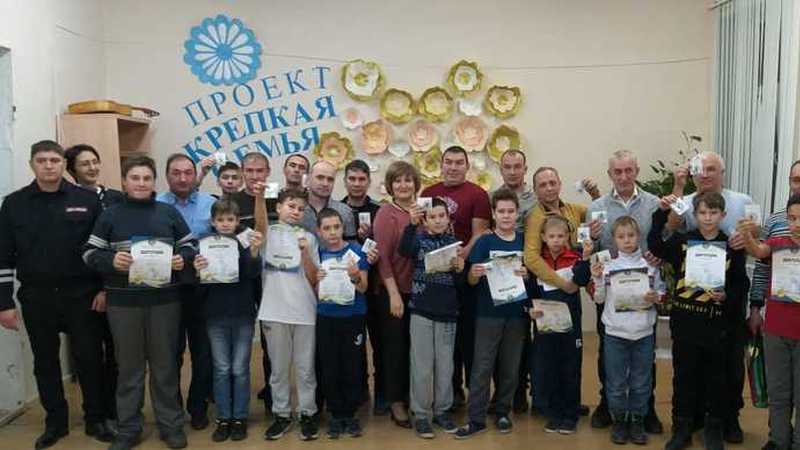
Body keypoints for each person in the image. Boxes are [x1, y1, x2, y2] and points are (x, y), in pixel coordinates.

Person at [0, 140, 114, 449]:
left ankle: (95, 419)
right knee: (45, 362)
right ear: (32, 164)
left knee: (90, 359)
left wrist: (104, 288)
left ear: (64, 164)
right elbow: (3, 256)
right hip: (37, 297)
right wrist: (4, 303)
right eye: (42, 160)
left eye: (54, 160)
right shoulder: (14, 204)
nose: (49, 165)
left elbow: (101, 248)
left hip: (82, 295)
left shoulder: (86, 200)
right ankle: (55, 422)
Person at [84, 155, 196, 450]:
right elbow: (88, 253)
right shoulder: (110, 215)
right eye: (135, 178)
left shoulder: (168, 212)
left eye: (147, 178)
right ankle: (129, 428)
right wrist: (111, 261)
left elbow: (190, 245)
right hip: (123, 305)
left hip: (164, 302)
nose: (141, 183)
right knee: (129, 369)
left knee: (165, 367)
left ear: (154, 181)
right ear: (124, 181)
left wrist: (181, 258)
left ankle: (170, 425)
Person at [648, 192, 748, 450]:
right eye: (702, 213)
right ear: (694, 215)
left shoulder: (732, 246)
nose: (708, 218)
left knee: (716, 378)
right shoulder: (683, 241)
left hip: (716, 325)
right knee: (684, 377)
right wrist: (660, 213)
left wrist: (726, 296)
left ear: (723, 215)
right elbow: (656, 246)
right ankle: (681, 428)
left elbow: (741, 283)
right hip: (685, 322)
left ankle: (713, 429)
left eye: (713, 213)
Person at [671, 151, 753, 442]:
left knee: (729, 366)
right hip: (693, 302)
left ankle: (727, 419)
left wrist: (748, 239)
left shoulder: (742, 201)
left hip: (726, 300)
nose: (705, 174)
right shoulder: (685, 203)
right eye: (700, 170)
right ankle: (690, 419)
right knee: (690, 368)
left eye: (711, 169)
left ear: (722, 172)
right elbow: (668, 235)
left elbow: (756, 237)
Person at [586, 150, 663, 432]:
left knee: (645, 357)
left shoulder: (654, 204)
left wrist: (658, 256)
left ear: (636, 171)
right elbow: (590, 250)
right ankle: (609, 405)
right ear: (610, 175)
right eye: (617, 172)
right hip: (609, 291)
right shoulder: (596, 207)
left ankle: (646, 410)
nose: (623, 176)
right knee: (609, 353)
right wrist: (592, 242)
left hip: (645, 292)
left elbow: (662, 241)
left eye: (628, 170)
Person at [455, 188, 534, 439]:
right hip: (488, 314)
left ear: (517, 213)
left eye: (511, 211)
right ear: (494, 213)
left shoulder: (525, 241)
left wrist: (527, 275)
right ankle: (476, 418)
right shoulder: (485, 242)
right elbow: (470, 281)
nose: (506, 216)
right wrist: (473, 273)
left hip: (516, 313)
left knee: (510, 367)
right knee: (482, 366)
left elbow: (534, 278)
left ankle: (502, 412)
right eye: (501, 211)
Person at [523, 166, 599, 417]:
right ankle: (545, 403)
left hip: (571, 292)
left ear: (559, 183)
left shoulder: (572, 209)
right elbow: (531, 258)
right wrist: (561, 282)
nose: (549, 188)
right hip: (548, 292)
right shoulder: (535, 217)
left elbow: (599, 213)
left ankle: (569, 401)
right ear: (535, 190)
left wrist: (595, 194)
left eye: (552, 182)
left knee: (571, 355)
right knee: (546, 354)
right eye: (542, 184)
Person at [421, 145, 491, 408]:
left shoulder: (478, 194)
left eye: (458, 162)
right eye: (448, 162)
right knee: (444, 337)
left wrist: (460, 255)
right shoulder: (428, 193)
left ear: (467, 166)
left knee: (467, 335)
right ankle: (451, 393)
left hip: (465, 273)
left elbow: (479, 233)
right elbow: (422, 230)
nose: (452, 167)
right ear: (441, 164)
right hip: (436, 276)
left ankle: (474, 393)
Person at [590, 216, 665, 445]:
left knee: (641, 382)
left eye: (631, 235)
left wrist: (656, 297)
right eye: (621, 237)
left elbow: (661, 294)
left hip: (643, 333)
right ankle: (620, 421)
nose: (627, 240)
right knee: (615, 383)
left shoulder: (650, 266)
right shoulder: (608, 267)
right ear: (614, 240)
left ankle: (637, 420)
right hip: (615, 334)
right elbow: (599, 298)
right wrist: (597, 278)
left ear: (638, 237)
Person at [64, 143, 124, 429]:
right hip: (83, 289)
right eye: (84, 163)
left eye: (95, 161)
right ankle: (94, 415)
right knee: (88, 356)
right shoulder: (69, 200)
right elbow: (78, 248)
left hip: (116, 286)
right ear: (72, 169)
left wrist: (107, 288)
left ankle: (114, 410)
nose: (92, 167)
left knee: (117, 355)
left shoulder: (116, 198)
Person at [194, 199, 263, 442]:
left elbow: (252, 274)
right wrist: (198, 271)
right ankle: (223, 417)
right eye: (220, 220)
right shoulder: (204, 245)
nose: (225, 224)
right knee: (222, 368)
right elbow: (199, 289)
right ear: (213, 222)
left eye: (230, 219)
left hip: (243, 314)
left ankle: (240, 417)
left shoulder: (245, 243)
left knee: (239, 369)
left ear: (237, 221)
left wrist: (254, 253)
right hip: (215, 315)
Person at [156, 153, 215, 430]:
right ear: (167, 176)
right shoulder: (155, 205)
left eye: (188, 172)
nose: (182, 178)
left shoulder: (210, 204)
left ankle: (198, 406)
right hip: (168, 289)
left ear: (195, 175)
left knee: (204, 352)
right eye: (176, 173)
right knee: (170, 353)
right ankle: (173, 408)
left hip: (203, 289)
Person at [257, 188, 321, 441]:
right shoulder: (267, 233)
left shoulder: (310, 238)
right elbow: (260, 224)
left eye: (300, 209)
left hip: (305, 312)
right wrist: (259, 197)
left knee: (305, 369)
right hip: (274, 312)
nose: (296, 212)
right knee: (279, 369)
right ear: (278, 207)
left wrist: (304, 252)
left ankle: (308, 413)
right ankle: (282, 414)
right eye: (291, 206)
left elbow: (314, 277)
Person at [399, 197, 464, 439]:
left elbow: (460, 283)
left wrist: (460, 268)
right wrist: (411, 224)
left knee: (445, 366)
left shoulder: (455, 245)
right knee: (422, 365)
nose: (437, 220)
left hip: (448, 313)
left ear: (448, 219)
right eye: (432, 217)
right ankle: (421, 414)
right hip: (421, 311)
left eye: (441, 216)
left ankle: (442, 411)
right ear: (425, 220)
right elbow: (403, 250)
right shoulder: (419, 240)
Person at [747, 160, 800, 450]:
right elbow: (758, 252)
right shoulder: (777, 240)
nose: (796, 224)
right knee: (779, 392)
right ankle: (779, 440)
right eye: (792, 218)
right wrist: (747, 233)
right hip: (776, 328)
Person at [530, 216, 591, 436]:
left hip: (570, 326)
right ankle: (554, 414)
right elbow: (531, 292)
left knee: (570, 369)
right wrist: (530, 310)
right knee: (549, 369)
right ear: (543, 237)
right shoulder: (537, 262)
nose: (556, 240)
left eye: (560, 236)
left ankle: (570, 415)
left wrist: (585, 257)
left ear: (567, 237)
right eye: (552, 236)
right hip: (545, 325)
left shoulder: (574, 258)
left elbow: (582, 280)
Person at [315, 208, 369, 439]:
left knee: (352, 365)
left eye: (336, 227)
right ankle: (336, 414)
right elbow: (314, 290)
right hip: (326, 317)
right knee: (329, 366)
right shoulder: (318, 254)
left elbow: (363, 287)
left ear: (343, 228)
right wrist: (316, 280)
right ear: (319, 231)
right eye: (327, 228)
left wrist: (355, 275)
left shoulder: (356, 251)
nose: (333, 232)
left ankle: (351, 413)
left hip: (352, 317)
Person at [227, 152, 275, 414]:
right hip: (242, 278)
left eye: (260, 171)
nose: (255, 176)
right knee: (241, 337)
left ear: (268, 172)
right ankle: (236, 396)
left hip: (273, 276)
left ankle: (272, 393)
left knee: (270, 337)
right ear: (243, 172)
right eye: (250, 171)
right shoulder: (231, 202)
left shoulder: (277, 198)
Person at [373, 161, 420, 428]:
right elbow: (383, 259)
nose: (403, 185)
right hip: (394, 291)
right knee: (395, 349)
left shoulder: (423, 209)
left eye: (408, 180)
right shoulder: (386, 213)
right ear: (390, 186)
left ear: (415, 183)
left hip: (421, 292)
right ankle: (396, 401)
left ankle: (414, 397)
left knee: (416, 348)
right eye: (397, 181)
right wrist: (393, 294)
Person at [341, 159, 386, 414]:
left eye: (361, 179)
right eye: (352, 179)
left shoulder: (379, 210)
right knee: (353, 345)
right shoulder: (337, 209)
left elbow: (386, 246)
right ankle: (358, 392)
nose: (357, 184)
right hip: (348, 288)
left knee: (380, 343)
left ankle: (382, 395)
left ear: (368, 181)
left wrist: (372, 244)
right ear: (345, 181)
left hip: (376, 288)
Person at [494, 149, 536, 414]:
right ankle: (501, 393)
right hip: (500, 276)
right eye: (507, 167)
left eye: (517, 166)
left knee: (524, 337)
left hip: (528, 273)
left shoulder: (536, 199)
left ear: (525, 169)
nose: (512, 171)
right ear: (501, 170)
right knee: (501, 337)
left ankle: (521, 391)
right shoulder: (493, 197)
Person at [301, 160, 357, 242]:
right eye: (320, 177)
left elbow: (351, 245)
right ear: (308, 179)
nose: (325, 183)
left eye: (330, 179)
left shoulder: (345, 212)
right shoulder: (295, 210)